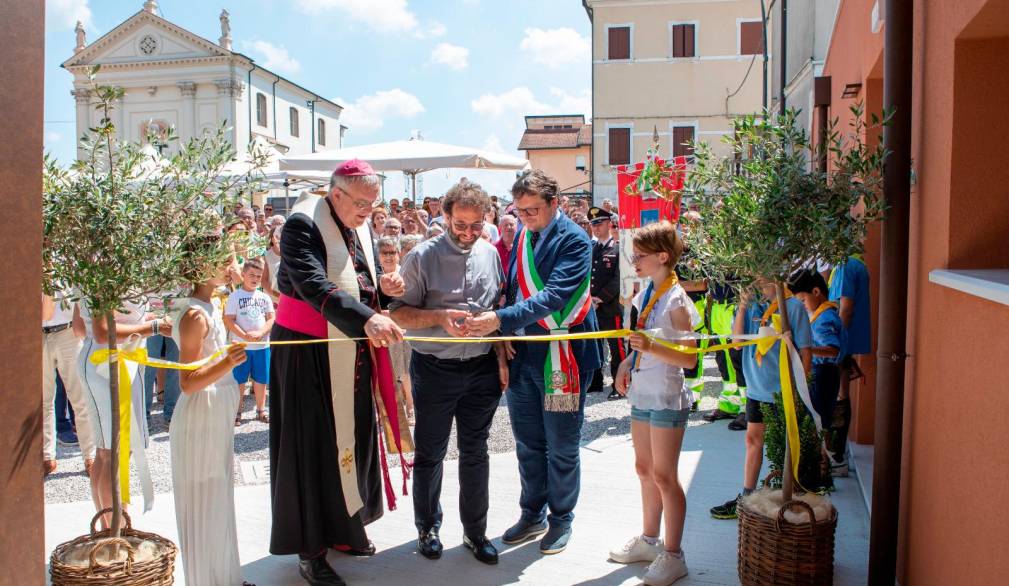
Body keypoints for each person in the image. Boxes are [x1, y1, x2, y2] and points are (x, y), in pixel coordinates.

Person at [269, 159, 406, 586]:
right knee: (311, 449)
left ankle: (345, 528)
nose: (370, 213)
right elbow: (311, 283)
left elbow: (356, 279)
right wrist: (366, 317)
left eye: (374, 204)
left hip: (348, 345)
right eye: (363, 204)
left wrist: (383, 289)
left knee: (352, 438)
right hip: (307, 351)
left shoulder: (353, 219)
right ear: (337, 193)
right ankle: (310, 550)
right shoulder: (301, 224)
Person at [466, 169, 601, 555]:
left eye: (533, 210)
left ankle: (561, 519)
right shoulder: (524, 235)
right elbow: (511, 290)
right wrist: (503, 332)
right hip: (523, 353)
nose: (525, 217)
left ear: (555, 203)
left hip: (562, 356)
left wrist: (501, 320)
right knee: (527, 442)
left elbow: (555, 295)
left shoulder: (575, 240)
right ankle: (532, 513)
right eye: (520, 210)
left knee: (561, 443)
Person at [389, 179, 507, 566]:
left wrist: (500, 354)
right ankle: (428, 527)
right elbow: (399, 314)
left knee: (476, 453)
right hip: (434, 368)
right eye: (461, 225)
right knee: (430, 453)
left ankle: (475, 532)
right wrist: (439, 316)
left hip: (481, 370)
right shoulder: (421, 256)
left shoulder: (491, 253)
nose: (469, 233)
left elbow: (499, 309)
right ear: (445, 216)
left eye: (476, 226)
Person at [610, 220, 700, 585]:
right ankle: (649, 540)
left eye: (640, 256)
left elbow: (689, 359)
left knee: (665, 476)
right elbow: (642, 339)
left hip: (666, 395)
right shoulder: (650, 292)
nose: (634, 261)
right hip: (644, 392)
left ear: (662, 257)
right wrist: (628, 361)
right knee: (644, 470)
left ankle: (674, 554)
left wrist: (649, 348)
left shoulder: (677, 300)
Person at [169, 240, 251, 586]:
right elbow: (187, 382)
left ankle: (225, 577)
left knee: (219, 496)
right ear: (206, 266)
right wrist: (227, 363)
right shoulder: (194, 315)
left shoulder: (210, 305)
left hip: (215, 412)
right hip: (200, 415)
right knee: (204, 499)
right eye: (228, 260)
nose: (234, 264)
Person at [709, 279, 813, 520]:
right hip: (756, 388)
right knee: (752, 440)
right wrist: (743, 305)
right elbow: (736, 343)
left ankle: (785, 499)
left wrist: (800, 388)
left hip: (782, 389)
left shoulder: (792, 308)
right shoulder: (752, 305)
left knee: (783, 447)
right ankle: (746, 497)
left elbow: (805, 351)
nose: (755, 278)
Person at [77, 296, 162, 525]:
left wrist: (140, 321)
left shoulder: (92, 268)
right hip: (111, 366)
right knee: (116, 453)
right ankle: (117, 531)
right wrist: (152, 327)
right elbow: (103, 331)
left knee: (106, 453)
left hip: (105, 361)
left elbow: (79, 326)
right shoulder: (107, 269)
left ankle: (109, 530)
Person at [826, 253, 871, 476]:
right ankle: (837, 454)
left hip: (840, 343)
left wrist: (835, 343)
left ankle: (837, 458)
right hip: (845, 342)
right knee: (840, 395)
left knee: (839, 396)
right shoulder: (852, 264)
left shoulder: (845, 266)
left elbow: (846, 308)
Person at [43, 292, 95, 476]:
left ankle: (90, 455)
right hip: (39, 333)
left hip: (68, 332)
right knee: (43, 400)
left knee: (80, 398)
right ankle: (47, 455)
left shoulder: (64, 262)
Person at [224, 258, 275, 425]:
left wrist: (261, 332)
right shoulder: (234, 296)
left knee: (261, 379)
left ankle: (261, 410)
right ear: (243, 274)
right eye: (251, 275)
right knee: (239, 380)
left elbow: (271, 318)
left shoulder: (264, 297)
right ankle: (236, 411)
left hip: (261, 346)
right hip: (241, 346)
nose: (255, 279)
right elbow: (229, 320)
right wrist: (244, 335)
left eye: (259, 276)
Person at [789, 270, 842, 427]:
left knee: (818, 419)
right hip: (822, 372)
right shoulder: (821, 313)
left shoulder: (825, 318)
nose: (802, 306)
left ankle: (822, 451)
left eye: (803, 301)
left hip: (823, 373)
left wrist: (806, 350)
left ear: (816, 292)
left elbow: (833, 349)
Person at [586, 208, 625, 398]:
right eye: (593, 224)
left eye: (599, 223)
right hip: (592, 308)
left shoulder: (618, 248)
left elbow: (618, 279)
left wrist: (599, 298)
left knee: (616, 346)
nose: (595, 227)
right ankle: (595, 381)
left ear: (610, 224)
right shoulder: (592, 249)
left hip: (609, 306)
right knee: (594, 344)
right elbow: (586, 277)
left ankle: (620, 384)